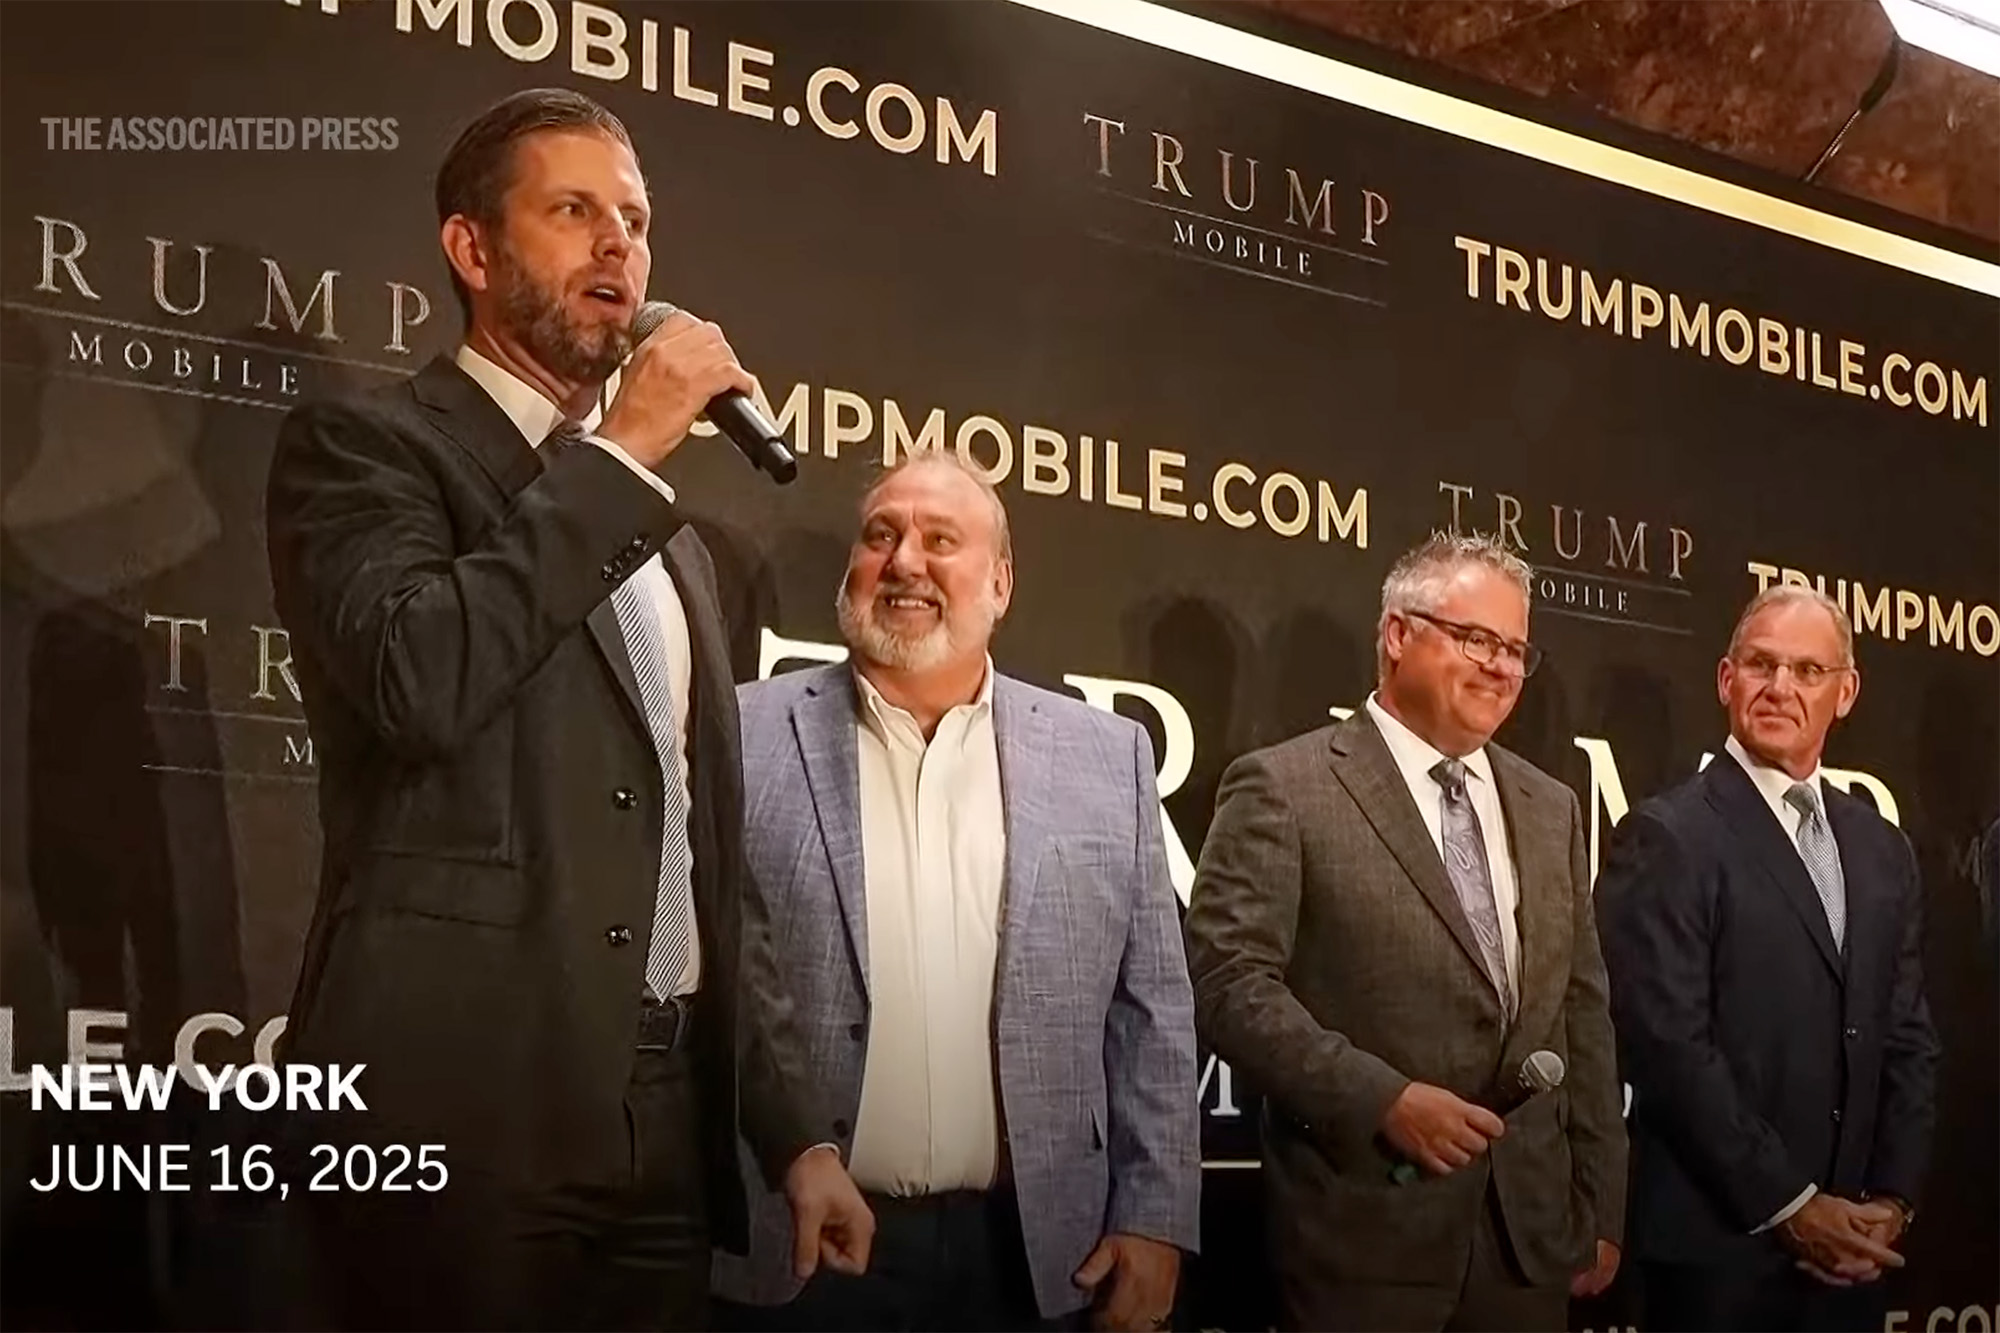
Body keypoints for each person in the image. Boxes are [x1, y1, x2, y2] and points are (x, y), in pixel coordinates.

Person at [265, 88, 868, 1330]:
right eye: (574, 210)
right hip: (460, 1115)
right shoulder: (370, 447)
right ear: (471, 249)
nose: (619, 247)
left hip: (659, 1133)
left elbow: (700, 856)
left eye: (636, 221)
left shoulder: (673, 544)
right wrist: (622, 454)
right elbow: (418, 679)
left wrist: (793, 1135)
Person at [711, 452, 1200, 1332]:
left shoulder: (1106, 757)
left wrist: (1157, 1215)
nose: (904, 561)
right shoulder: (738, 734)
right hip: (795, 1251)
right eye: (881, 535)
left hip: (1033, 1259)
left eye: (942, 540)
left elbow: (1152, 1012)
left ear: (1001, 582)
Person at [1183, 532, 1625, 1332]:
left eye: (1516, 650)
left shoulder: (1551, 806)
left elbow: (1581, 1016)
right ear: (1396, 634)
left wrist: (1597, 1203)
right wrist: (1381, 1099)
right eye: (1476, 638)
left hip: (1526, 1248)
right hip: (1360, 1240)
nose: (1500, 666)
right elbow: (1227, 985)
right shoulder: (1285, 787)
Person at [1595, 585, 1939, 1332]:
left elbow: (1906, 1037)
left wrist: (1891, 1202)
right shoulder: (1667, 835)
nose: (1781, 687)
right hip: (1720, 1259)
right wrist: (1793, 1205)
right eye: (1761, 664)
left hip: (1853, 1260)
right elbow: (1669, 1051)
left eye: (1808, 671)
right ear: (1727, 679)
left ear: (1845, 693)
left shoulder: (1883, 849)